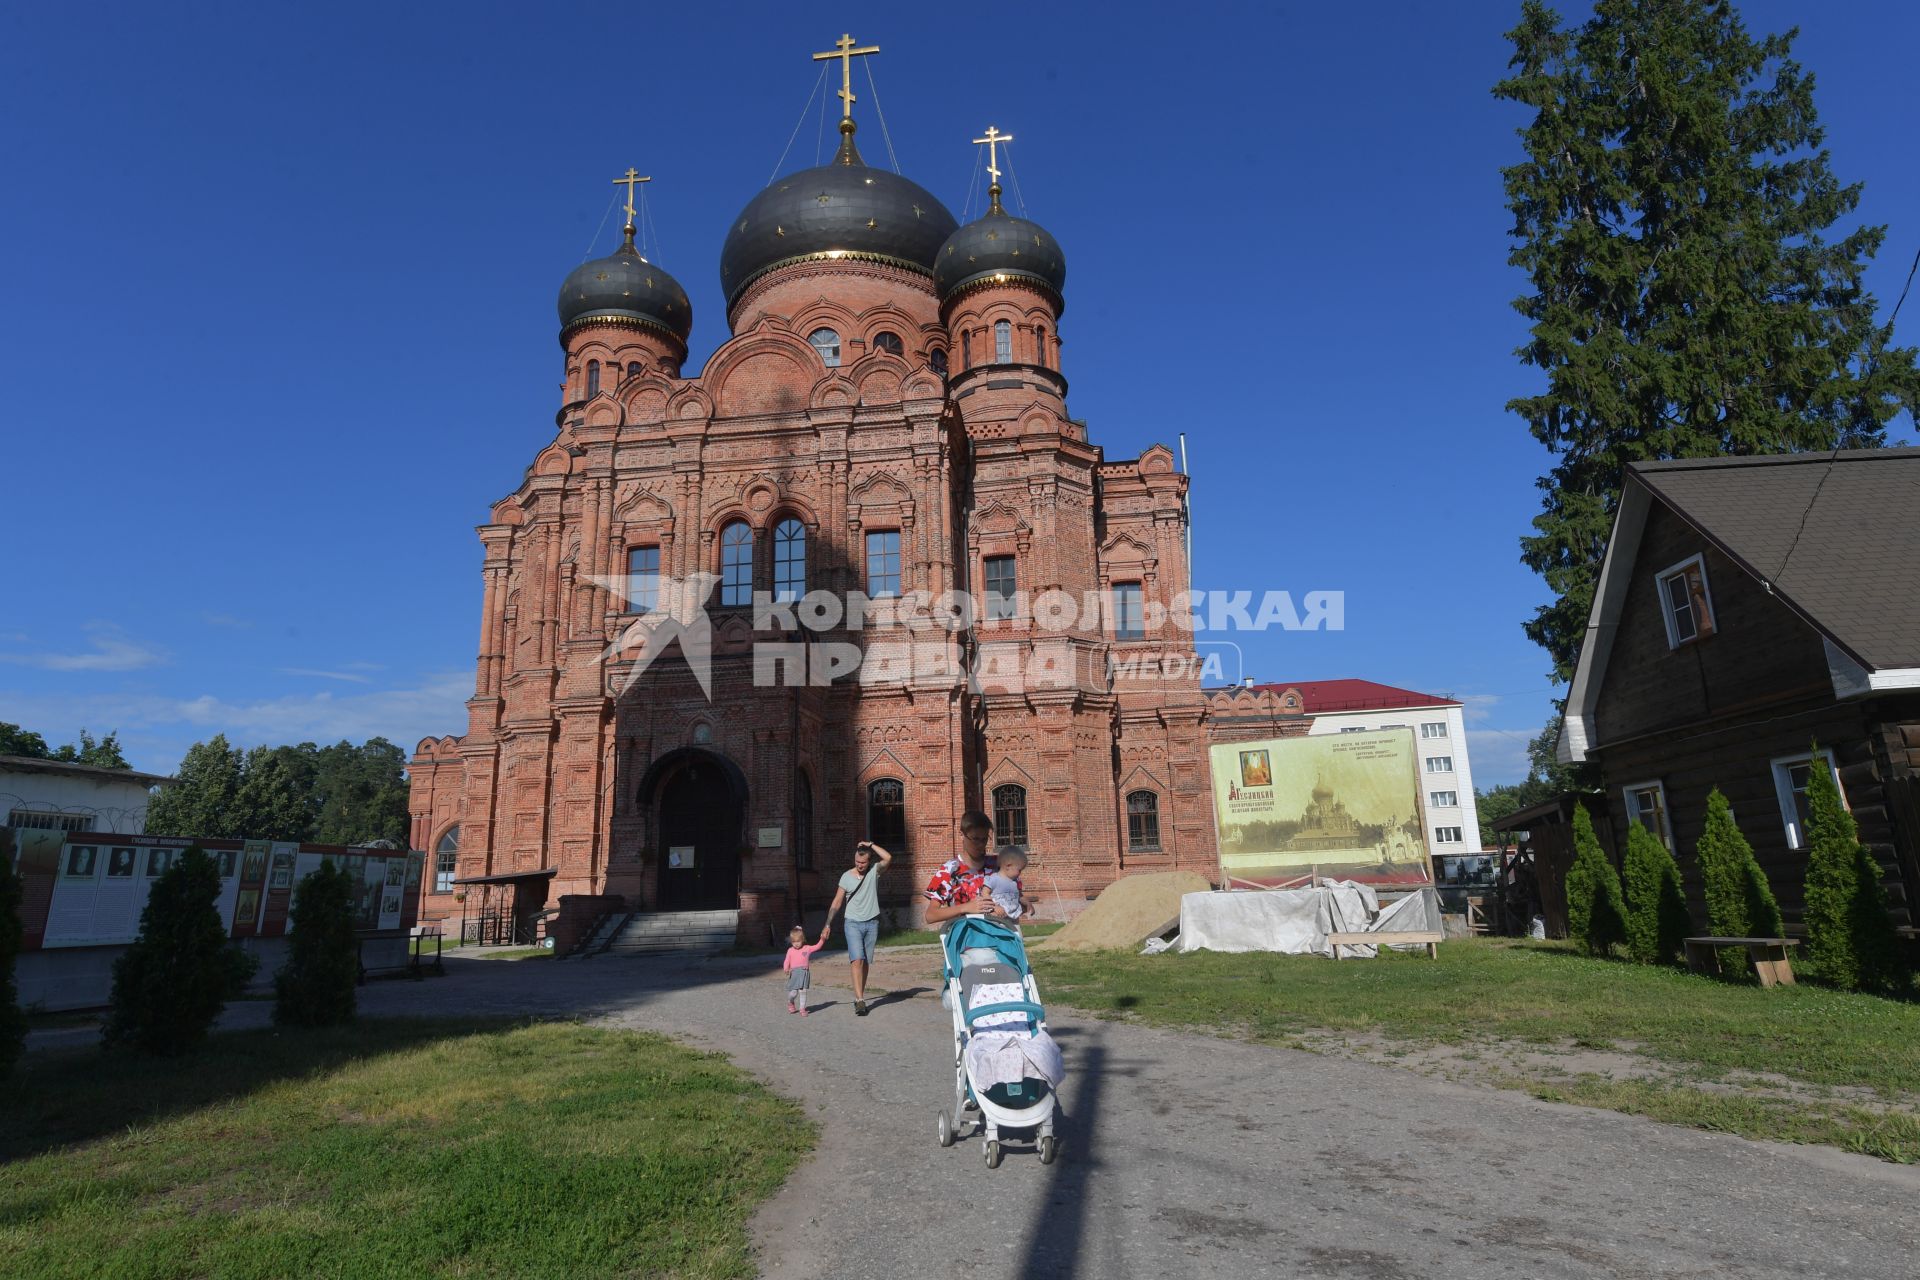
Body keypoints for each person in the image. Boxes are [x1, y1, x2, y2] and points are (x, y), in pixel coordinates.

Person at [821, 839, 892, 1016]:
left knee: (865, 961)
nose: (860, 865)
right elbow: (837, 901)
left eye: (863, 862)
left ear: (869, 861)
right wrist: (827, 923)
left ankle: (860, 993)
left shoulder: (874, 872)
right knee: (857, 959)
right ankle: (859, 1000)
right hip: (852, 922)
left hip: (872, 922)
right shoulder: (846, 876)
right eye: (857, 862)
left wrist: (871, 845)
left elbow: (888, 857)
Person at [921, 809, 1007, 927]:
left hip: (999, 935)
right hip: (967, 939)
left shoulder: (997, 866)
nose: (981, 845)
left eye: (984, 839)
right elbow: (930, 915)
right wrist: (965, 908)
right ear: (962, 835)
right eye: (975, 839)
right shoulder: (948, 871)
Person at [782, 926, 825, 1016]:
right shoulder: (790, 950)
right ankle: (790, 1002)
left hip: (804, 972)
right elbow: (787, 960)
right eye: (793, 941)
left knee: (803, 991)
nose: (796, 944)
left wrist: (822, 939)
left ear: (803, 939)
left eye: (798, 941)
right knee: (793, 993)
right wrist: (786, 968)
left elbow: (817, 946)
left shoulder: (807, 948)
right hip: (794, 973)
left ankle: (802, 1008)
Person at [980, 847, 1032, 921]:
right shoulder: (994, 879)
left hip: (1013, 919)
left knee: (1015, 932)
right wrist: (994, 907)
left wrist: (1027, 903)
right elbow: (984, 893)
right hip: (997, 917)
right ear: (1008, 866)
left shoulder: (1015, 882)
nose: (1020, 873)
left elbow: (1019, 896)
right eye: (1019, 870)